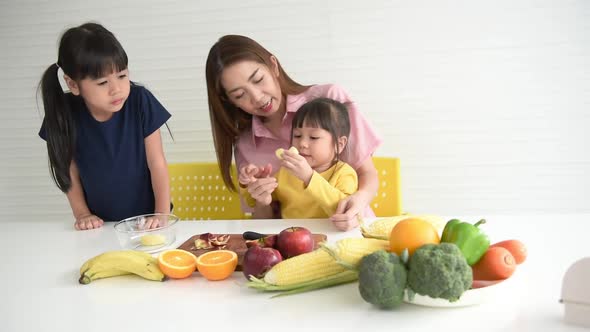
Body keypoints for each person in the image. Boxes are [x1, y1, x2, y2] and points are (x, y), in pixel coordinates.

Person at [205, 35, 382, 230]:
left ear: (273, 66)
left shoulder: (330, 100)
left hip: (350, 231)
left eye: (258, 79)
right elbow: (264, 222)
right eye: (240, 94)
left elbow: (367, 173)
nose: (257, 97)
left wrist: (359, 199)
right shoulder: (246, 145)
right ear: (228, 100)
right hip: (295, 244)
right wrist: (262, 199)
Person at [38, 22, 171, 231]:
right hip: (100, 225)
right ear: (73, 84)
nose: (117, 89)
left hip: (147, 220)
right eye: (102, 83)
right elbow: (68, 169)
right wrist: (82, 214)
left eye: (122, 76)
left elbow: (157, 162)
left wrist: (162, 214)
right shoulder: (64, 113)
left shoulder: (140, 101)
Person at [240, 98, 359, 219]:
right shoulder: (286, 171)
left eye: (313, 137)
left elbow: (343, 210)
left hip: (331, 235)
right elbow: (255, 203)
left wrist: (309, 177)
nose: (302, 143)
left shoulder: (344, 173)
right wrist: (254, 183)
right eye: (297, 135)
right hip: (290, 235)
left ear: (339, 144)